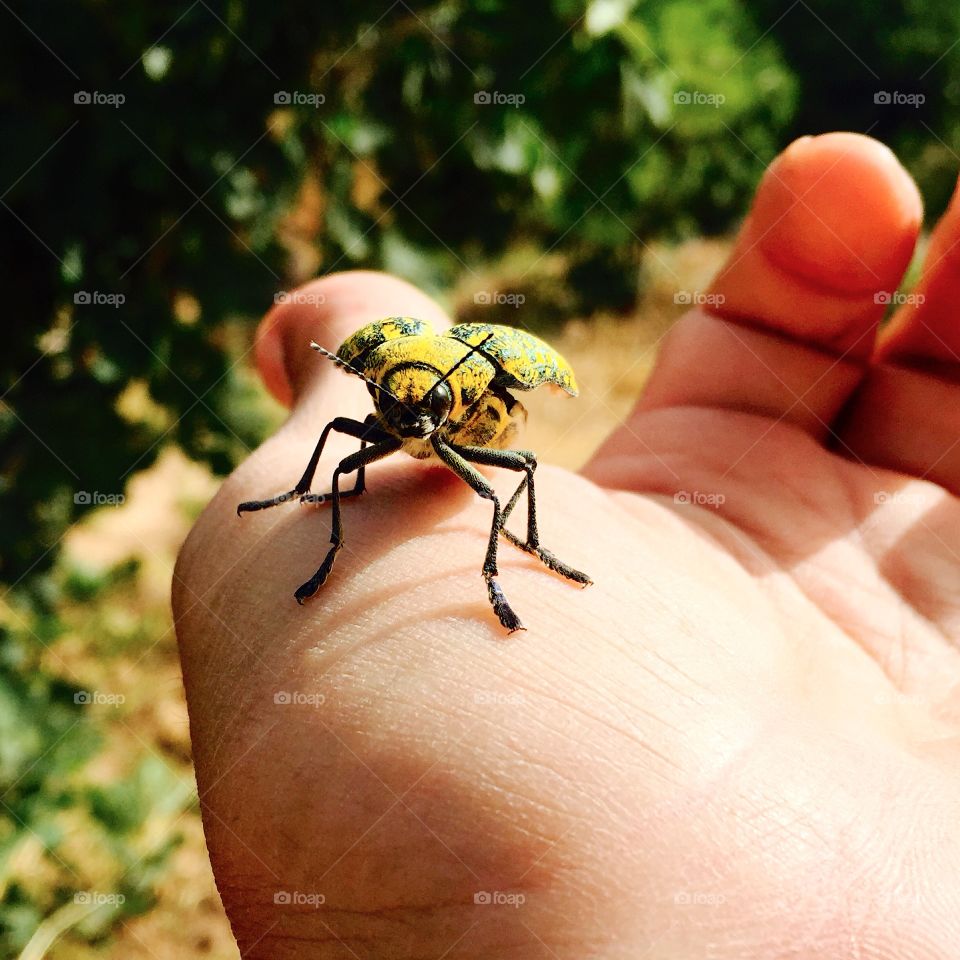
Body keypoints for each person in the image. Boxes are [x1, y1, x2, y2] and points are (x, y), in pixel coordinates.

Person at [173, 132, 960, 958]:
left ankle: (512, 559)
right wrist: (315, 524)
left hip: (486, 419)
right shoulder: (379, 400)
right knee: (344, 456)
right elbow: (357, 431)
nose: (406, 426)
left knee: (502, 477)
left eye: (420, 411)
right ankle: (347, 525)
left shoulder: (461, 402)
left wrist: (514, 550)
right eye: (394, 410)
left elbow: (511, 456)